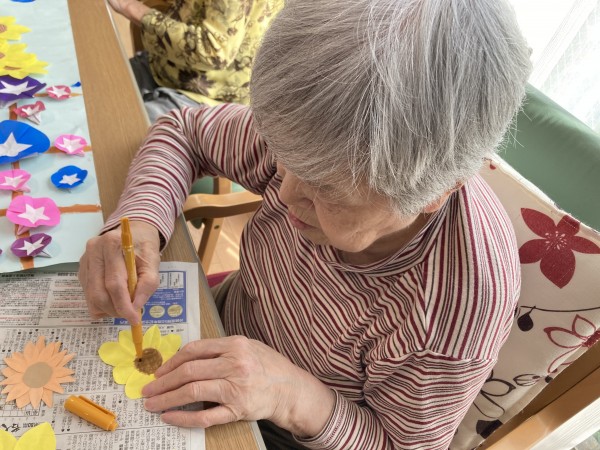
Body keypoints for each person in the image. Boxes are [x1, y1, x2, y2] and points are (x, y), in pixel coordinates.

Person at [79, 0, 532, 448]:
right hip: (225, 319)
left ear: (437, 193)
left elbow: (400, 445)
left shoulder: (456, 305)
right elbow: (184, 130)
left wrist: (291, 396)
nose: (284, 192)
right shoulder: (317, 138)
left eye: (327, 192)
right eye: (283, 157)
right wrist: (142, 218)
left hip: (293, 432)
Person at [107, 0, 283, 120]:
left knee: (116, 127)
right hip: (165, 65)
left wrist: (132, 8)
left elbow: (213, 50)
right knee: (98, 91)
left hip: (207, 97)